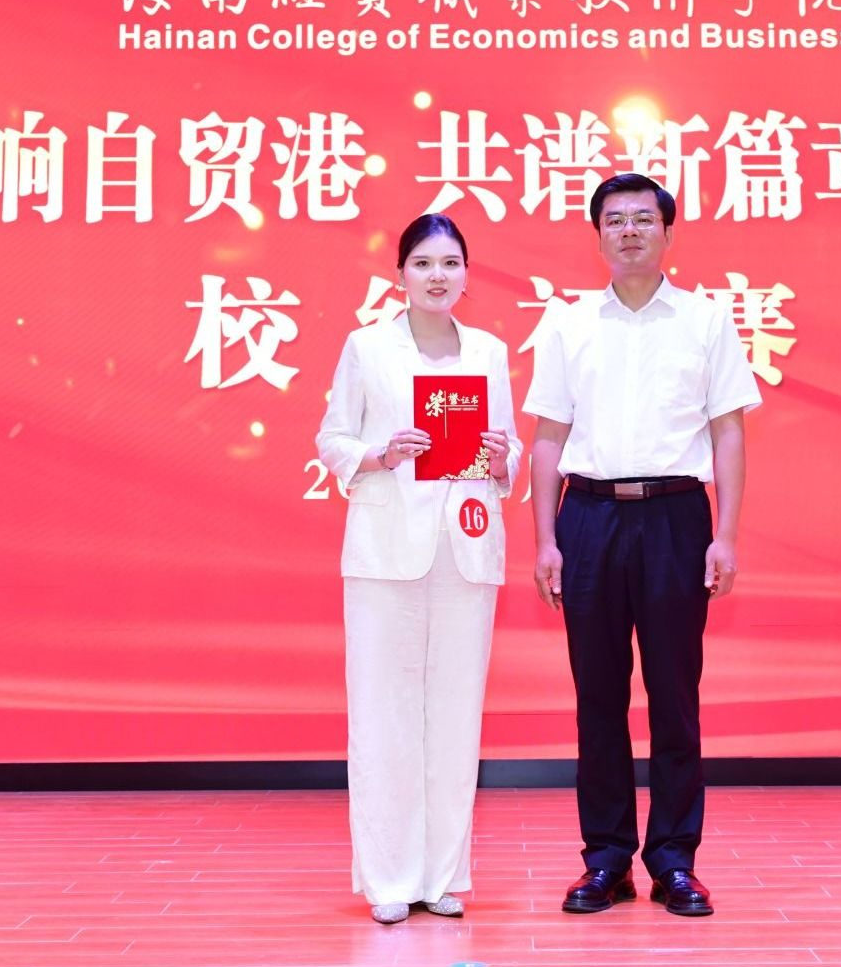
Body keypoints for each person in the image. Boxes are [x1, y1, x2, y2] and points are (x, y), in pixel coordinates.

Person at [523, 173, 760, 918]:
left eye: (643, 219)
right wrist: (545, 540)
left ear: (667, 232)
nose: (629, 231)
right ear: (598, 235)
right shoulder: (568, 325)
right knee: (597, 696)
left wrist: (725, 534)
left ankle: (675, 861)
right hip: (589, 516)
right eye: (615, 220)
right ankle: (606, 860)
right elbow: (548, 437)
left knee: (674, 696)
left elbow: (728, 430)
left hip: (676, 517)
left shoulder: (705, 320)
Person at [316, 213, 520, 925]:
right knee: (383, 712)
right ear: (400, 273)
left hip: (466, 548)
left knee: (456, 715)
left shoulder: (489, 351)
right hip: (385, 550)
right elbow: (333, 437)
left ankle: (442, 875)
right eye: (424, 263)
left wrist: (500, 458)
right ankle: (389, 878)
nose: (438, 276)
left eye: (451, 263)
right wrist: (381, 453)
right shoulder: (367, 346)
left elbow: (507, 455)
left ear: (467, 274)